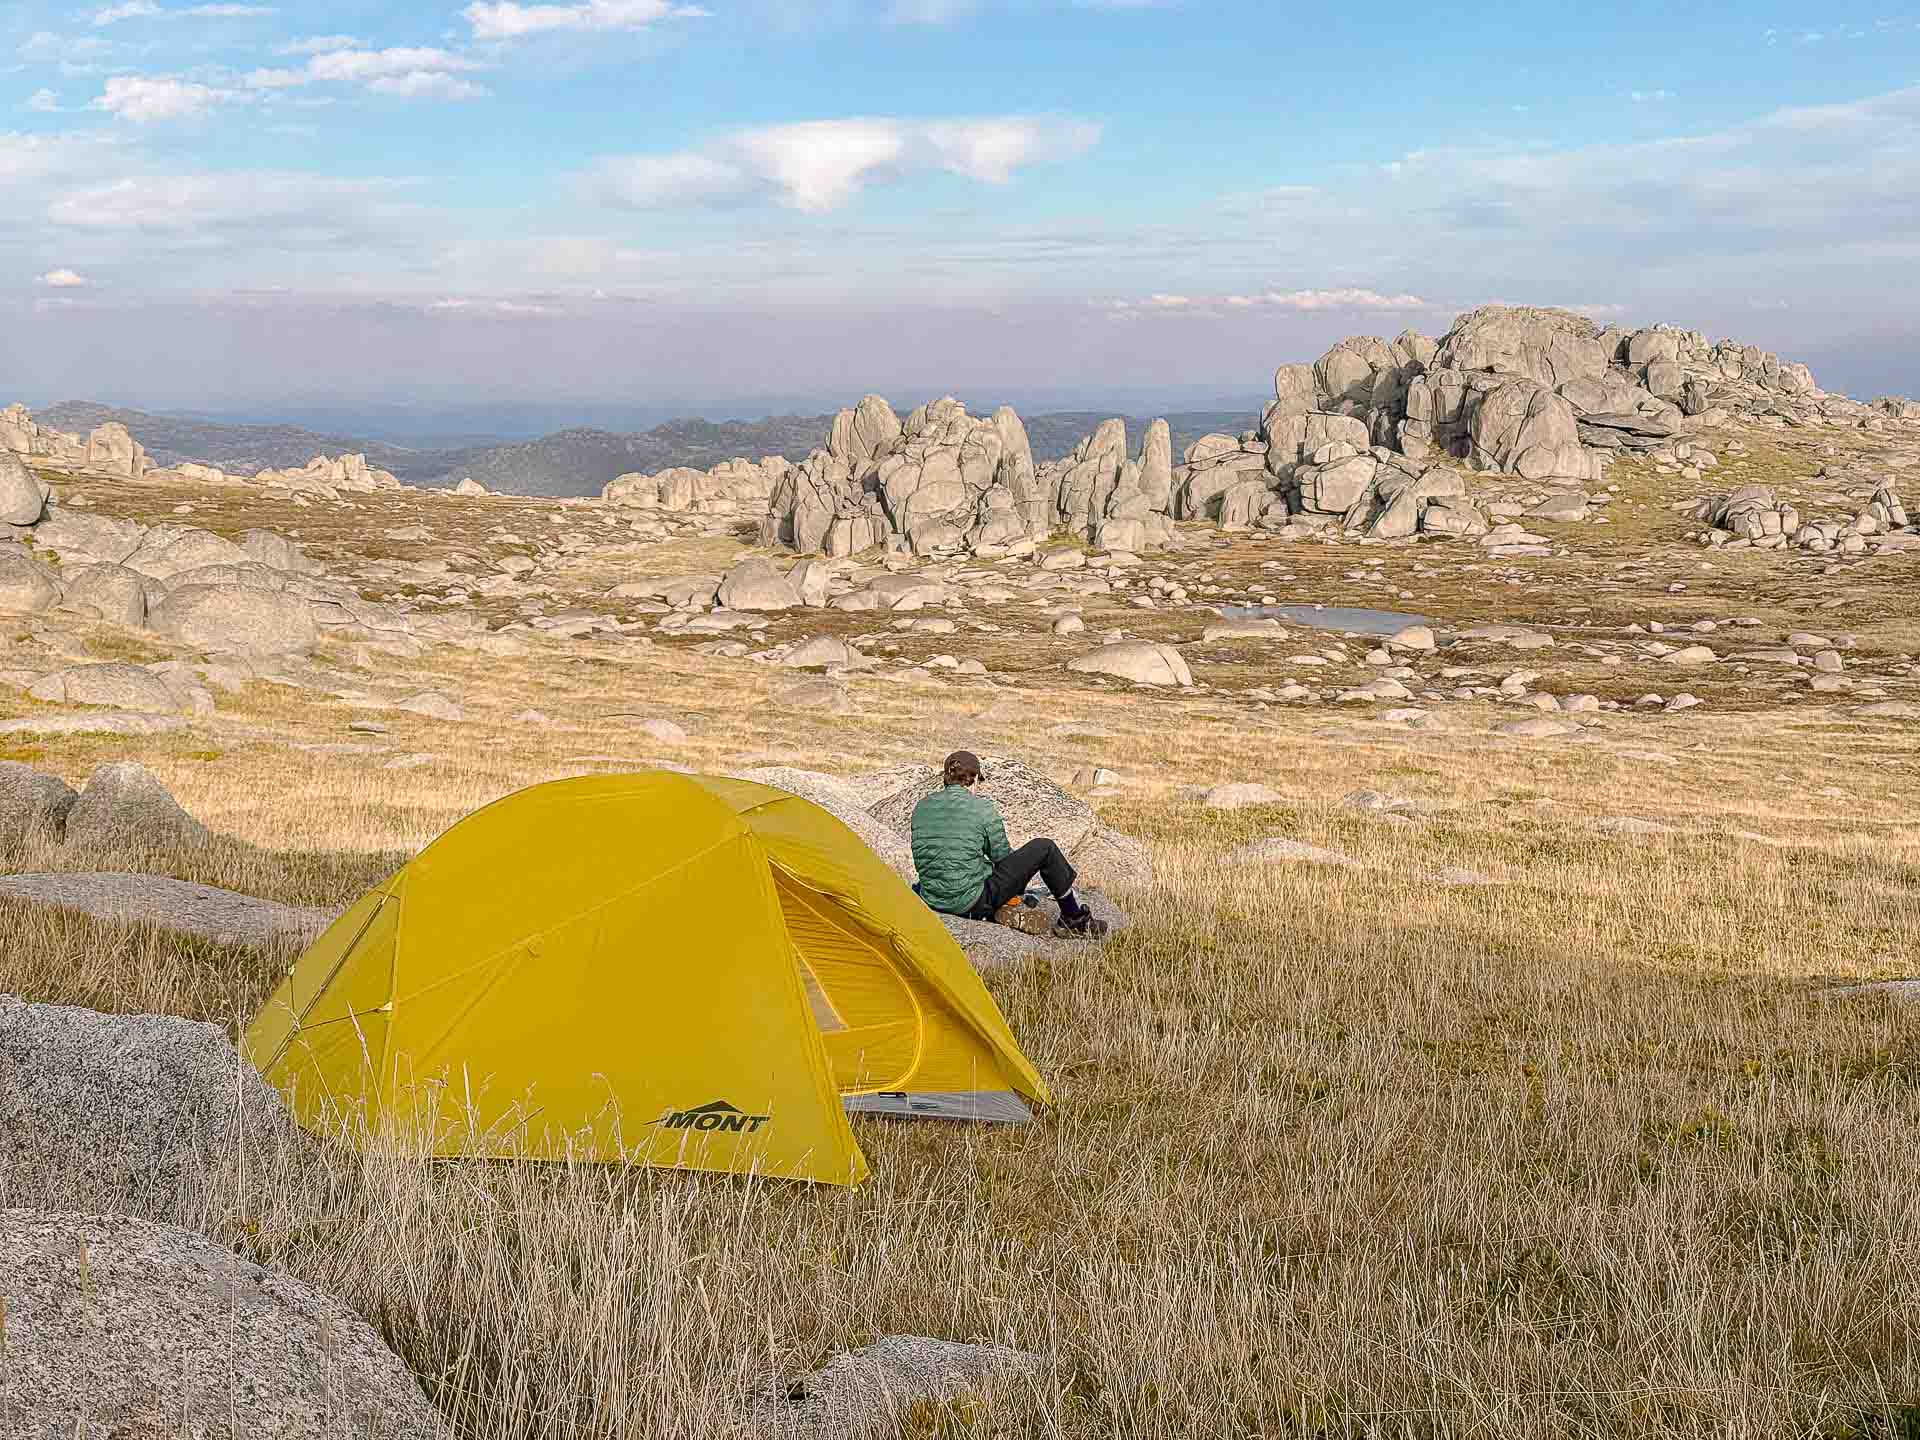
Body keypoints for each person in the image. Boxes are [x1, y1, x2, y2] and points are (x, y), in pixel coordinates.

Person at [909, 751, 1108, 939]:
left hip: (931, 898)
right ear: (975, 779)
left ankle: (1002, 909)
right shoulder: (982, 808)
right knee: (1044, 847)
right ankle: (1073, 918)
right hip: (972, 903)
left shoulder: (921, 807)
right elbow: (1002, 857)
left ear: (946, 778)